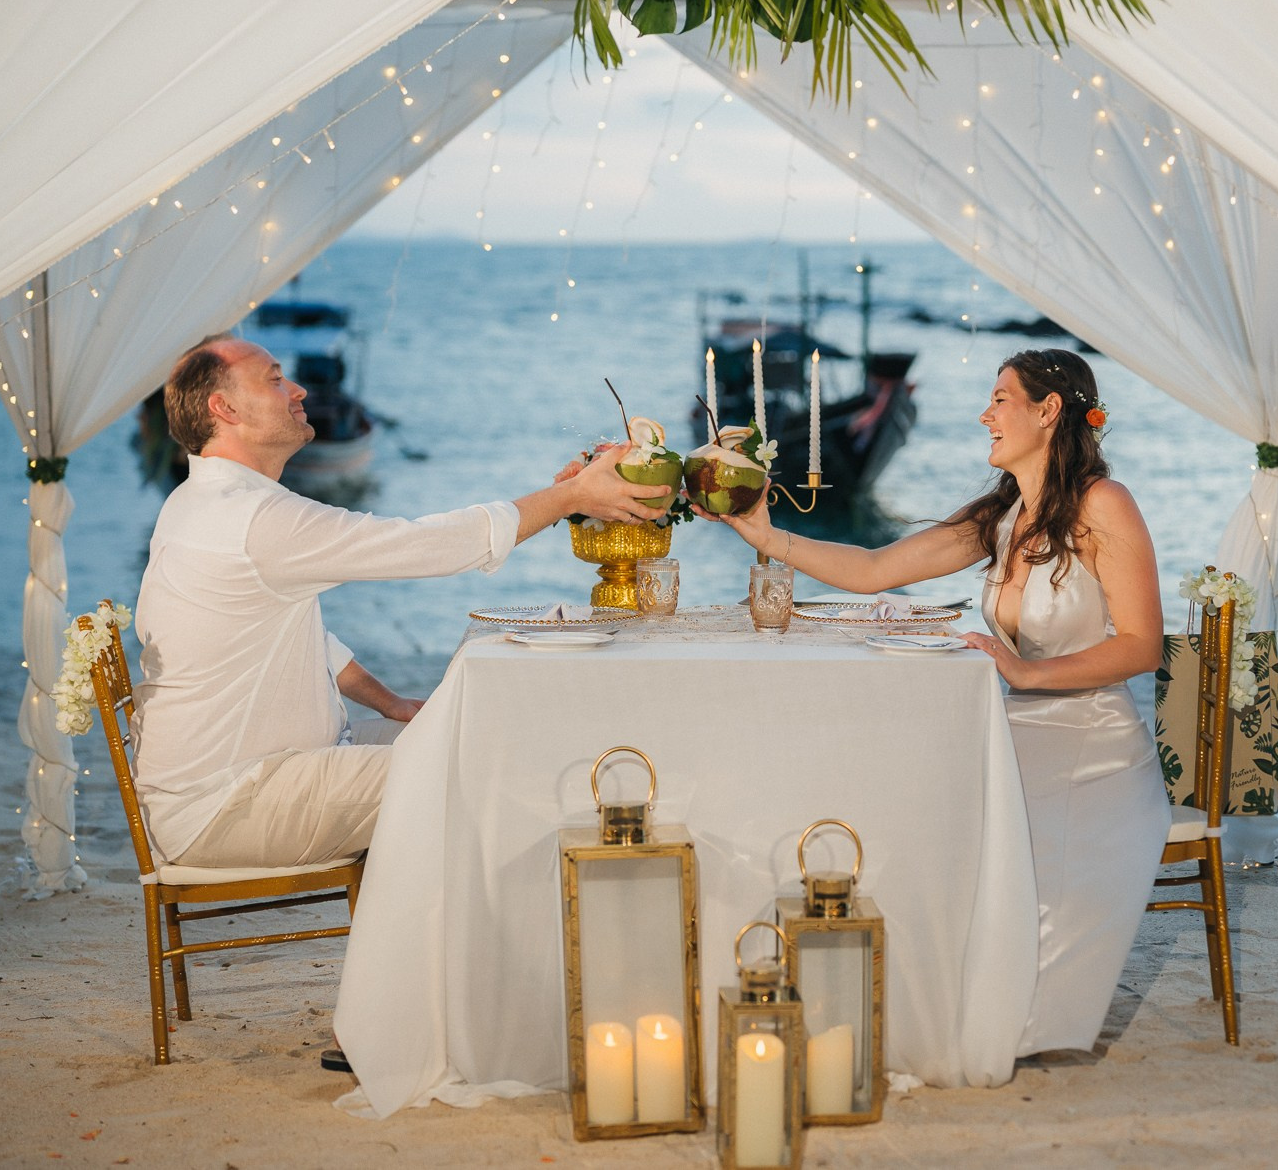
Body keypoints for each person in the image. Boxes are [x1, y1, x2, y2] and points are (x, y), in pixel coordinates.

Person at [703, 347, 1170, 1054]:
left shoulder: (1106, 505)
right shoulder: (1004, 514)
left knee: (930, 801)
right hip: (1022, 729)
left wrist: (1023, 671)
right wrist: (768, 537)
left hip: (1091, 753)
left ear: (1048, 411)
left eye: (1000, 398)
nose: (985, 413)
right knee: (900, 776)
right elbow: (873, 569)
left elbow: (1142, 645)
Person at [131, 334, 669, 871]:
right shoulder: (252, 520)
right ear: (222, 408)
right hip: (230, 802)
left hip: (251, 776)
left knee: (479, 734)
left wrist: (390, 703)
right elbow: (419, 544)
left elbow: (309, 640)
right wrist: (568, 498)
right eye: (274, 379)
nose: (297, 389)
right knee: (488, 775)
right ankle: (471, 941)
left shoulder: (199, 503)